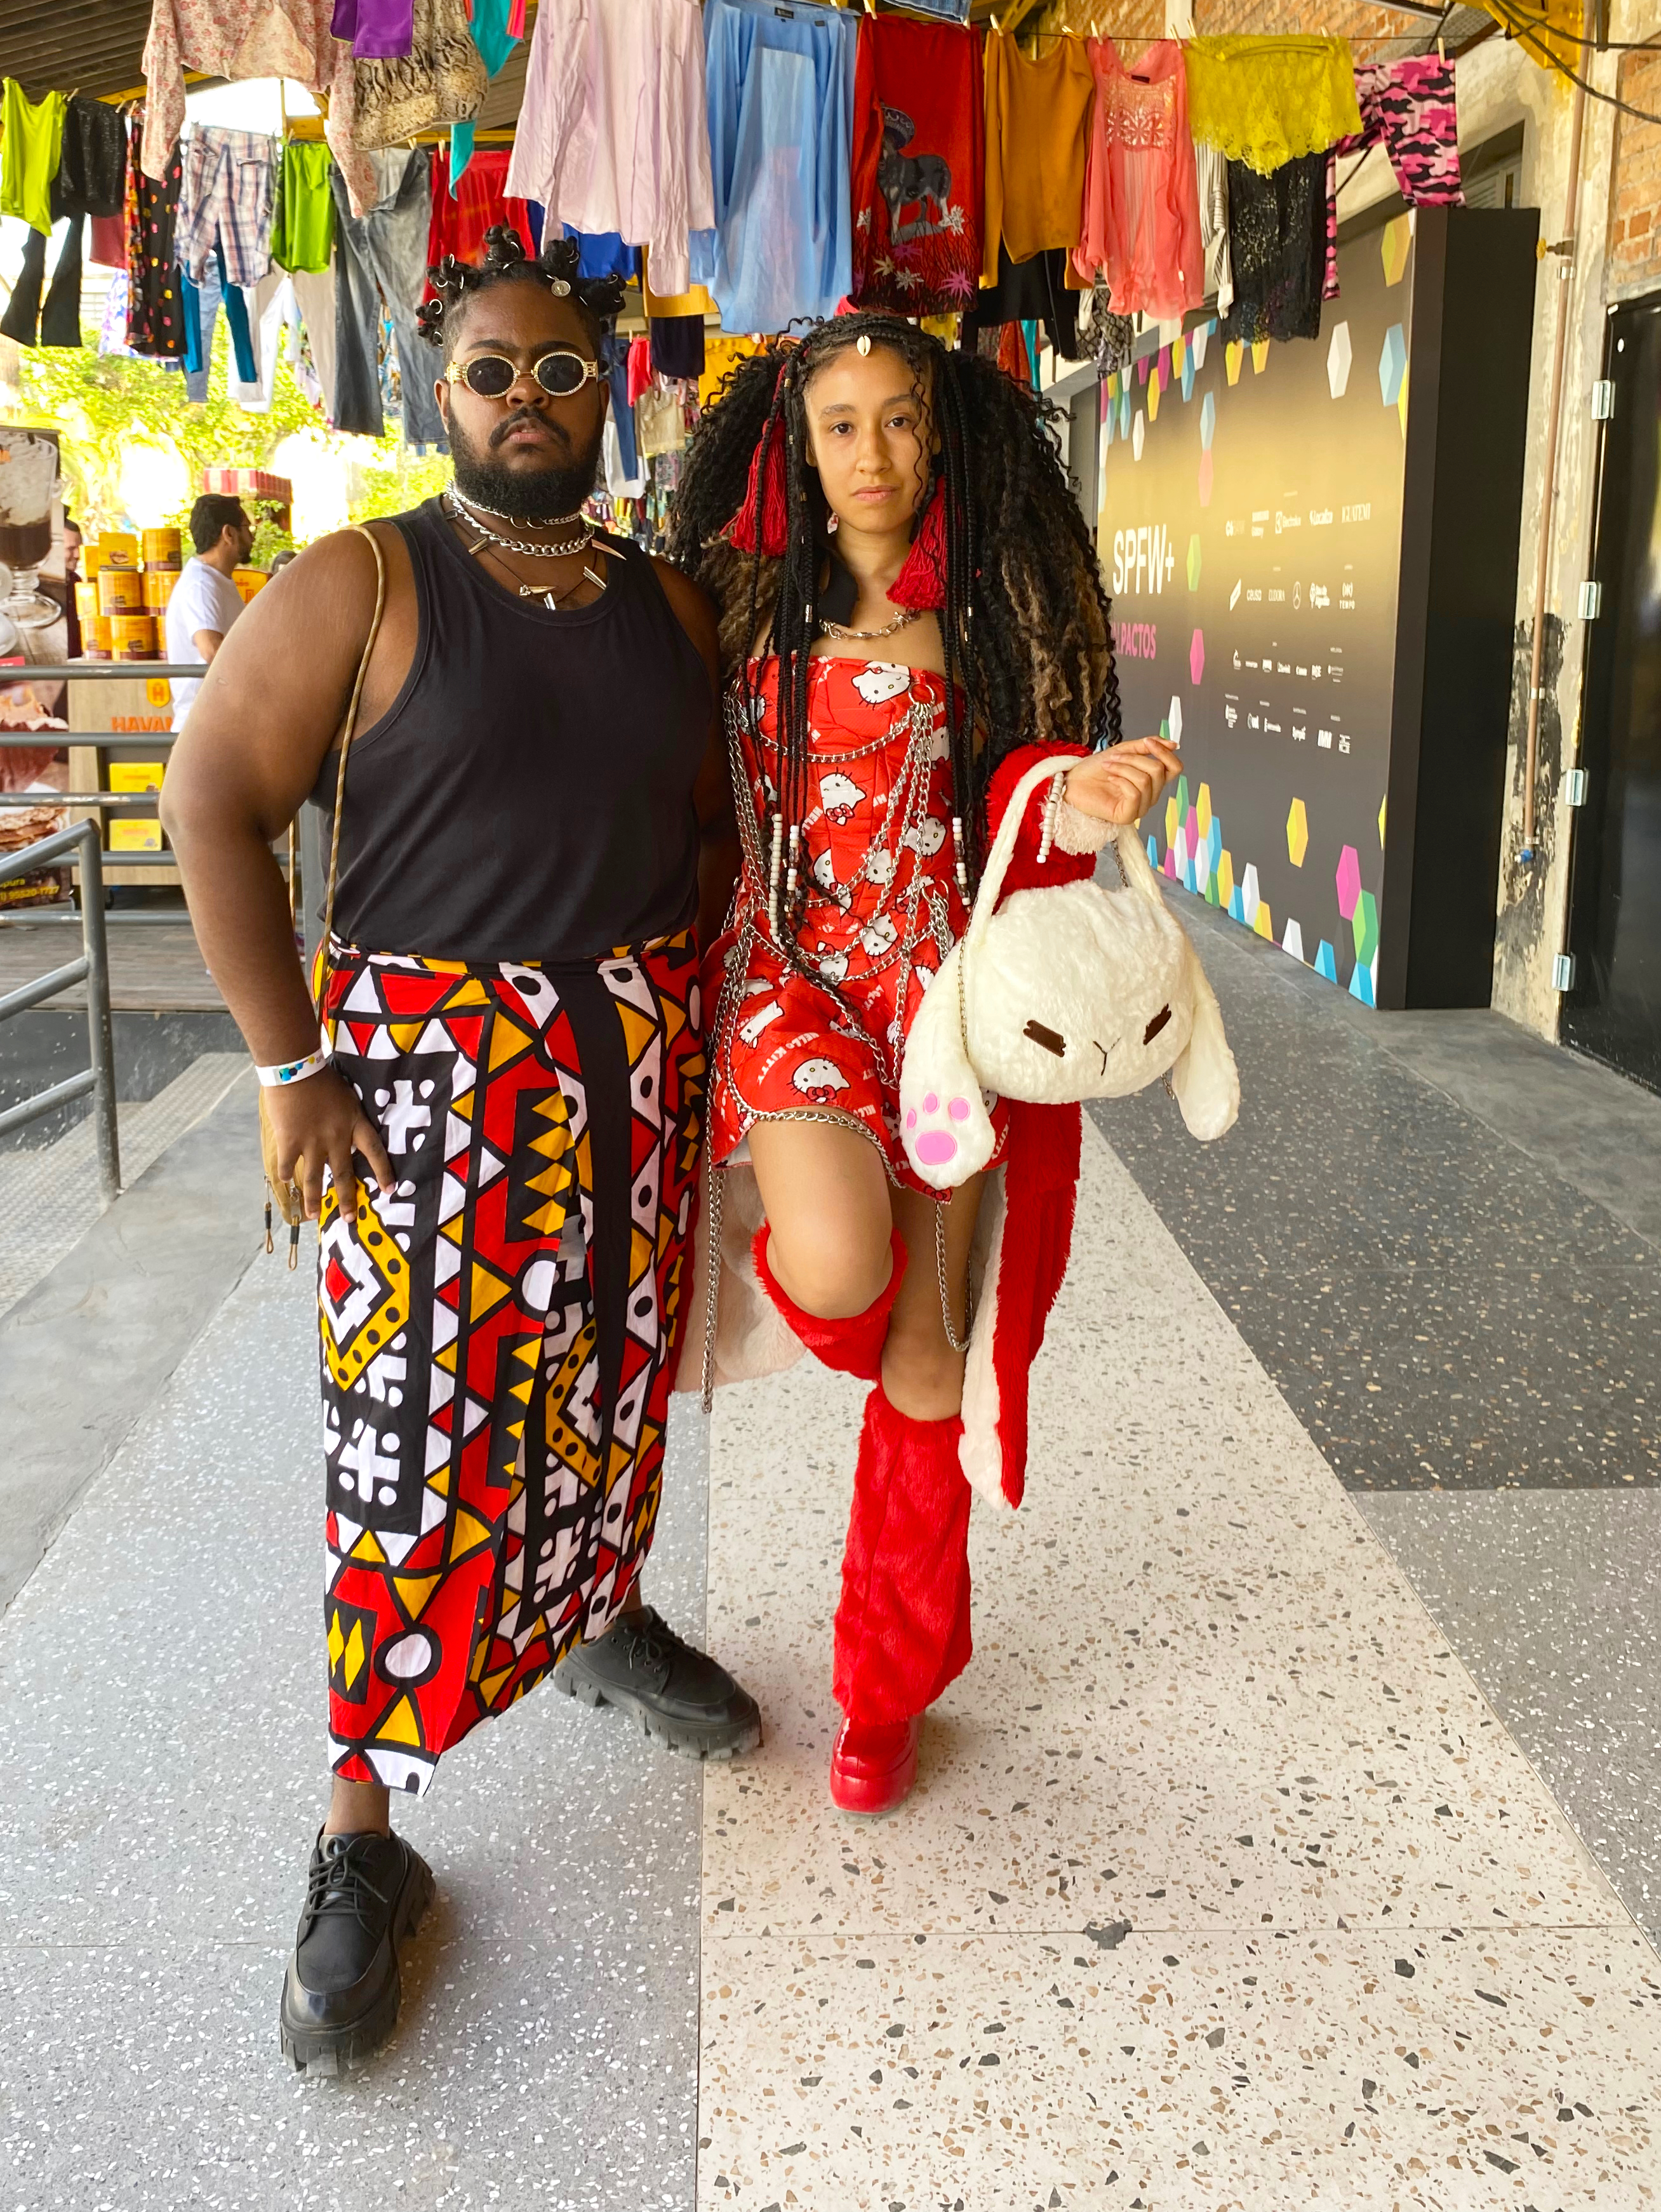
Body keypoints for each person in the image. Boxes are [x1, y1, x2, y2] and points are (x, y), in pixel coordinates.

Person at [160, 229, 761, 2075]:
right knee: (410, 1454)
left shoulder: (667, 605)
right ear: (441, 389)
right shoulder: (365, 578)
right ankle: (360, 1839)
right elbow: (212, 798)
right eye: (492, 371)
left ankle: (592, 1610)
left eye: (561, 369)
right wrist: (288, 1065)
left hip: (629, 1088)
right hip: (420, 1102)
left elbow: (716, 835)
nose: (525, 399)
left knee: (604, 1393)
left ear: (611, 389)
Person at [667, 312, 1180, 1816]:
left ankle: (886, 1690)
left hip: (950, 1013)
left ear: (939, 431)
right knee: (834, 1269)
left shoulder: (1000, 604)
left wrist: (1076, 793)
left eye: (901, 419)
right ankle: (843, 1280)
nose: (874, 453)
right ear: (796, 443)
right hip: (790, 987)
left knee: (931, 1371)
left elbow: (1026, 778)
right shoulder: (741, 606)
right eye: (842, 424)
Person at [164, 492, 252, 726]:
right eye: (247, 528)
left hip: (220, 721)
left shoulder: (216, 580)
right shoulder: (201, 585)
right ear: (229, 534)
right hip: (204, 727)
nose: (252, 537)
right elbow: (211, 649)